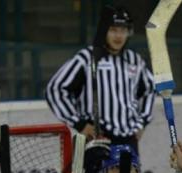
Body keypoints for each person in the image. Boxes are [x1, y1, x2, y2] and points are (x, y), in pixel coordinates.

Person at [46, 5, 155, 148]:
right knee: (102, 171)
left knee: (131, 172)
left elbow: (149, 89)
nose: (118, 36)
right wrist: (80, 124)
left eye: (123, 30)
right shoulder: (86, 58)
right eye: (113, 30)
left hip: (128, 139)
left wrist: (141, 123)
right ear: (104, 31)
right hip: (96, 138)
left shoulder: (135, 60)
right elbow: (55, 89)